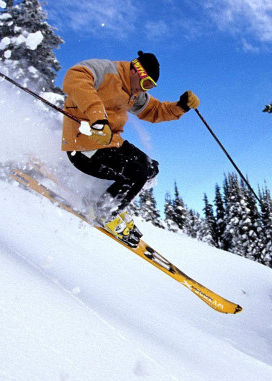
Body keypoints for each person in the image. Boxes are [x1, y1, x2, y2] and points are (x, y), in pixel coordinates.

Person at [61, 51, 199, 247]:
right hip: (83, 143)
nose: (146, 89)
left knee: (150, 168)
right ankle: (103, 211)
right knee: (136, 173)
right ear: (136, 70)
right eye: (146, 84)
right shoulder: (106, 71)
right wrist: (97, 117)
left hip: (110, 143)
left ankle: (109, 199)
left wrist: (181, 107)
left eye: (150, 86)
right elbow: (74, 76)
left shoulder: (133, 93)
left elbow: (154, 110)